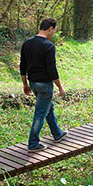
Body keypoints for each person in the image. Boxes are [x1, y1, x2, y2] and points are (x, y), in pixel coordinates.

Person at [19, 18, 67, 151]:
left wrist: (25, 84)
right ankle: (33, 144)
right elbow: (52, 70)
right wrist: (60, 87)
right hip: (45, 85)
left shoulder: (27, 43)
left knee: (47, 107)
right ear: (50, 29)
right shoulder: (49, 45)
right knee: (40, 113)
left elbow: (22, 66)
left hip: (33, 83)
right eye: (54, 30)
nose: (54, 33)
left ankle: (57, 134)